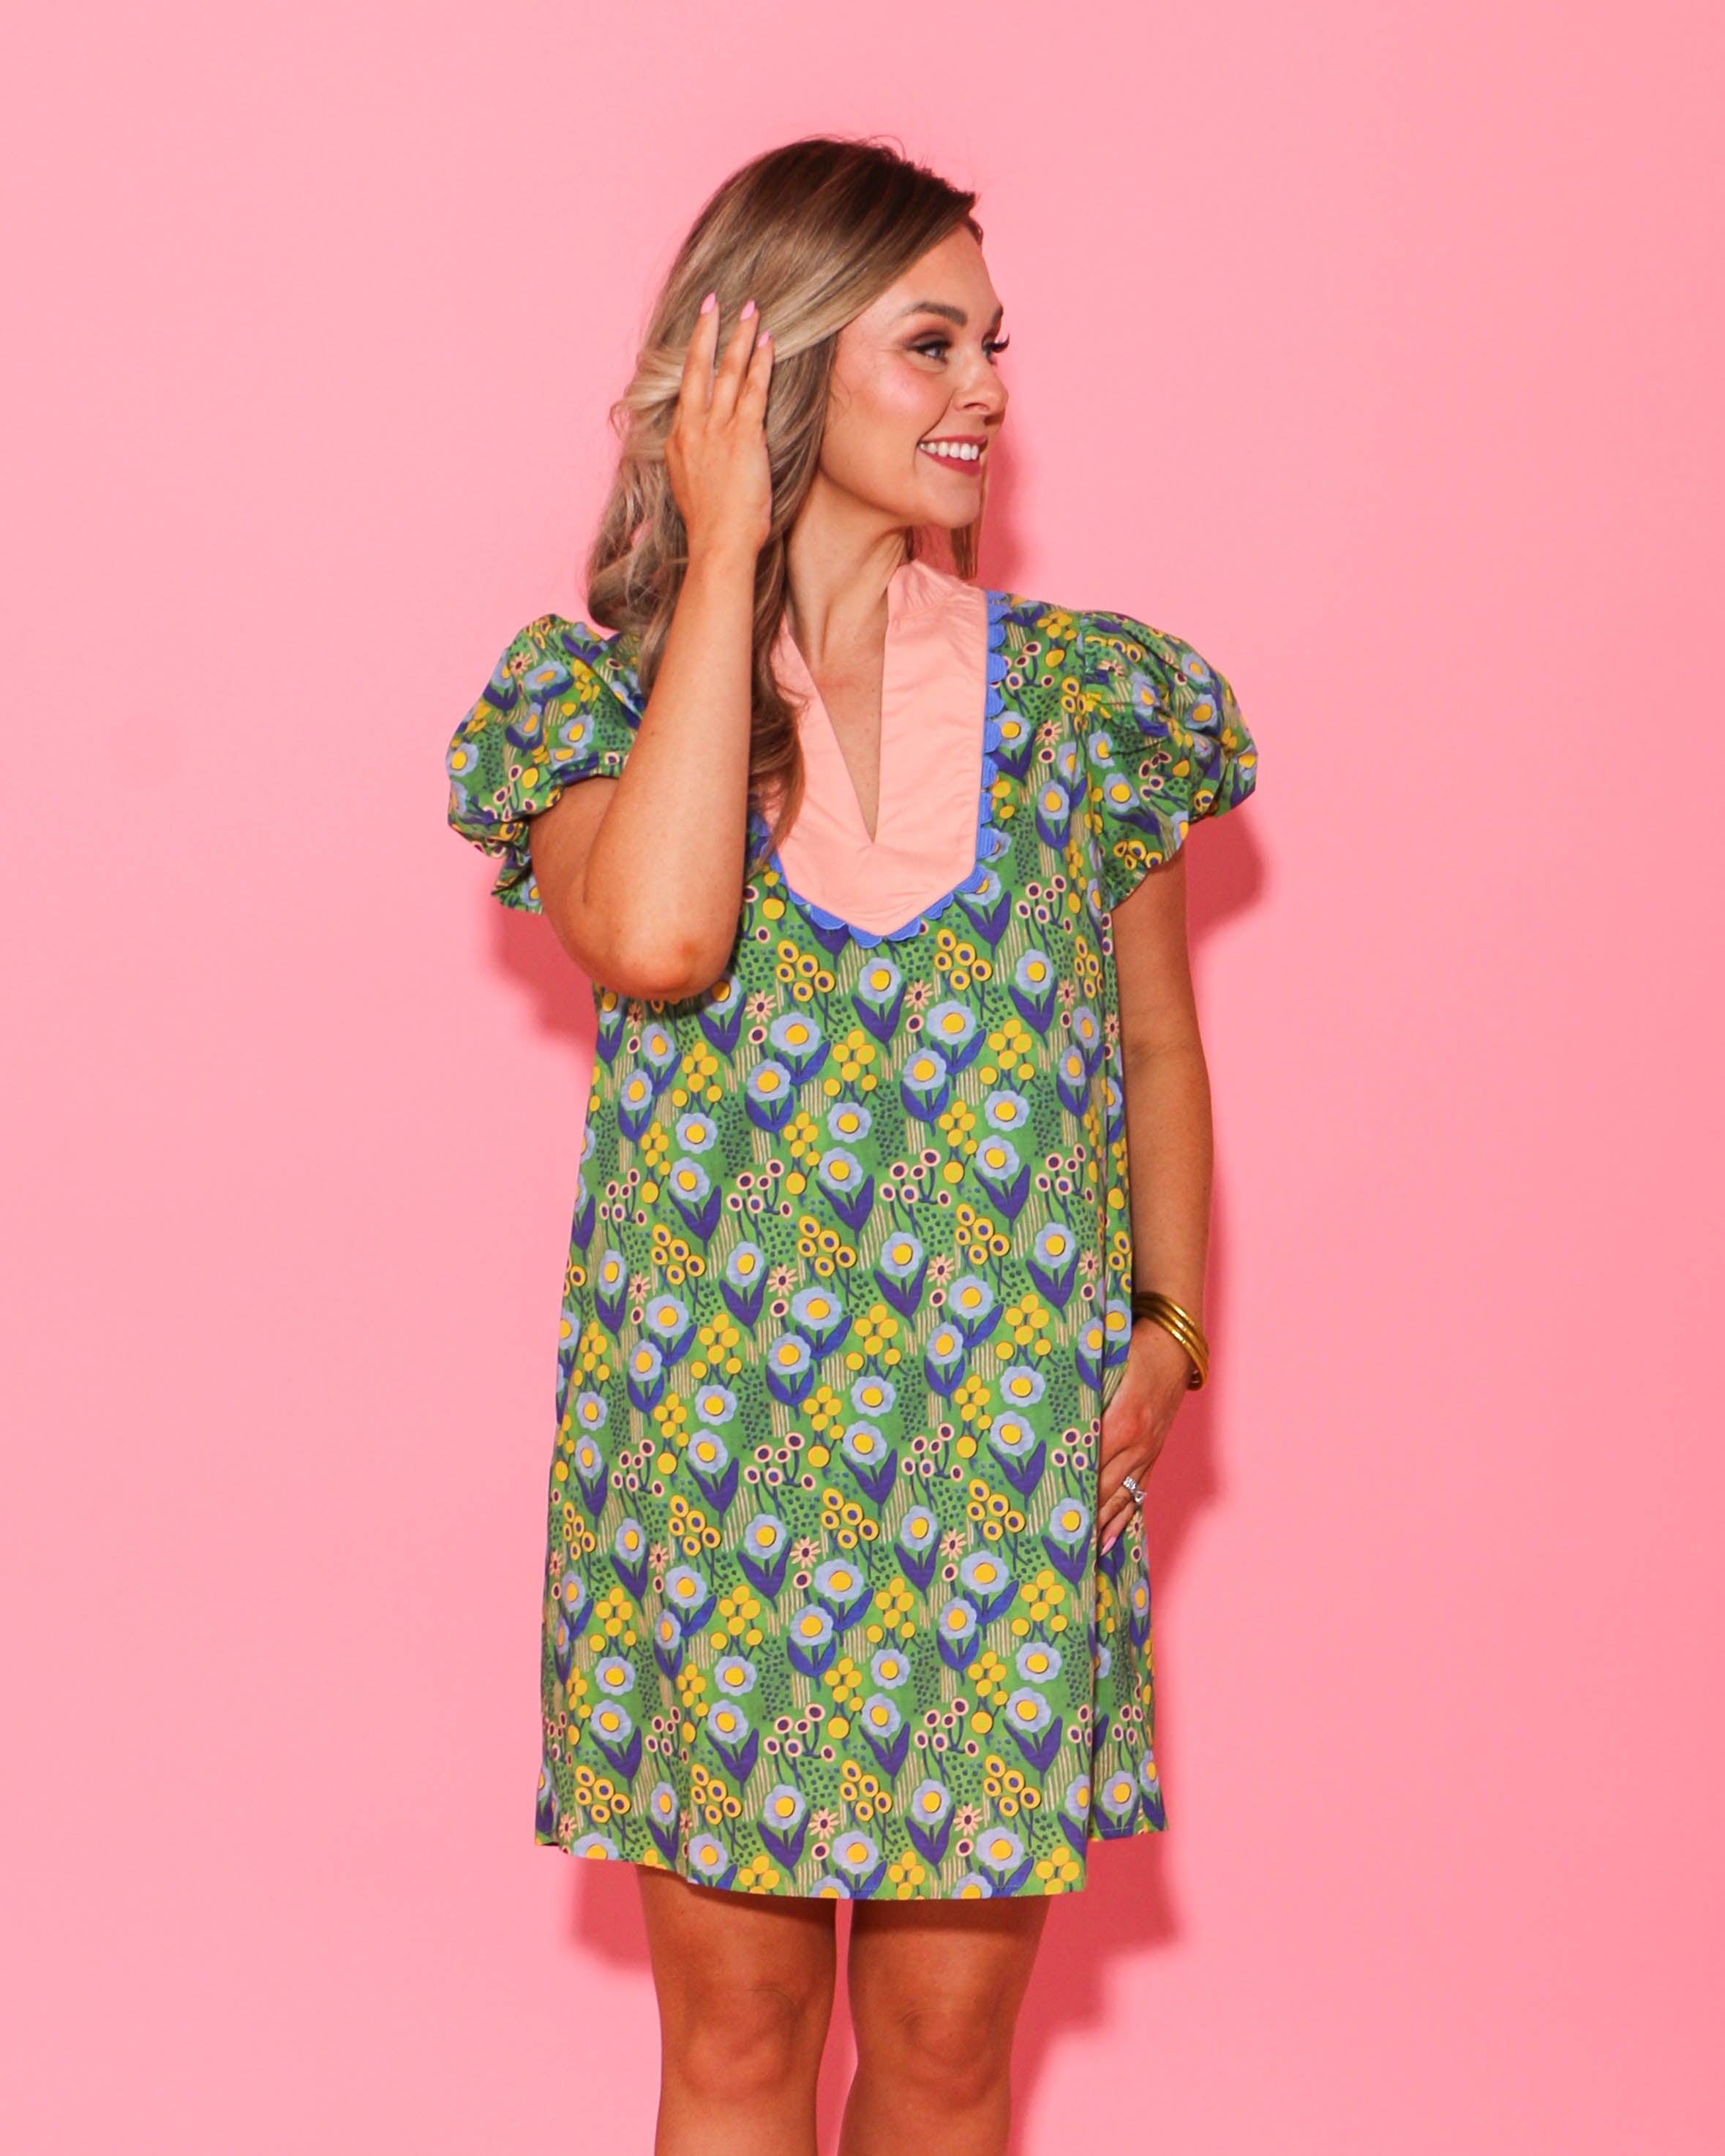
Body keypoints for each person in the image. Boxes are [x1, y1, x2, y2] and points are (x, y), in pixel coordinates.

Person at [447, 136, 1257, 2156]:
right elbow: (657, 939)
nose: (989, 390)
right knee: (734, 2049)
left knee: (952, 2057)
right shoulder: (590, 704)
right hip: (716, 1468)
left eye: (995, 344)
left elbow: (1160, 1042)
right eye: (932, 343)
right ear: (782, 365)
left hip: (999, 1470)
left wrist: (1171, 1328)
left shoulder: (1090, 706)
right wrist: (723, 556)